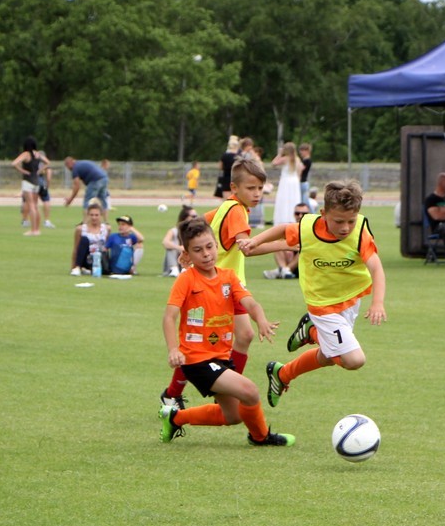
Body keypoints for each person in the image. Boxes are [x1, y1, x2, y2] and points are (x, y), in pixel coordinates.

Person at [238, 180, 387, 408]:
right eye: (339, 221)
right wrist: (255, 241)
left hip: (350, 302)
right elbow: (282, 230)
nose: (346, 227)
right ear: (323, 214)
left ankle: (283, 374)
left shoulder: (359, 234)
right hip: (322, 305)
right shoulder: (308, 229)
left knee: (328, 357)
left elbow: (376, 267)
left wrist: (378, 302)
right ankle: (312, 331)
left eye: (351, 220)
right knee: (353, 360)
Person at [159, 217, 292, 447]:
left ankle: (175, 418)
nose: (206, 254)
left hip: (220, 357)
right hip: (196, 360)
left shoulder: (228, 277)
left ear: (216, 246)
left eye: (209, 247)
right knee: (250, 391)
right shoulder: (186, 279)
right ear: (187, 254)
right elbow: (169, 317)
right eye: (198, 250)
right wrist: (173, 349)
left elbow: (250, 303)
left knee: (233, 415)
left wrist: (261, 319)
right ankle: (260, 437)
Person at [159, 156, 267, 411]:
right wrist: (289, 243)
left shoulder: (227, 206)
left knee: (240, 336)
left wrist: (187, 248)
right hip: (219, 284)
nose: (257, 193)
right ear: (235, 188)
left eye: (260, 188)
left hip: (225, 283)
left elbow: (193, 224)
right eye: (251, 188)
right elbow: (247, 246)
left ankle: (182, 393)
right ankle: (217, 390)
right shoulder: (237, 210)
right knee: (208, 344)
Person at [12, 136, 48, 236]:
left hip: (28, 182)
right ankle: (37, 229)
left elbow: (14, 163)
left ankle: (33, 230)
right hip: (36, 181)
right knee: (36, 206)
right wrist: (39, 171)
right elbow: (47, 162)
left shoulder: (26, 154)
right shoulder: (38, 154)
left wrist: (22, 171)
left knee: (31, 205)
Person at [264, 202, 308, 279]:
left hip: (306, 265)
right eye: (297, 213)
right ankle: (284, 270)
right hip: (291, 260)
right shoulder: (290, 228)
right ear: (294, 214)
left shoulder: (312, 228)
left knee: (304, 249)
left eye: (304, 214)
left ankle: (283, 271)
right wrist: (287, 248)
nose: (300, 216)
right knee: (277, 244)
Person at [69, 199, 110, 275]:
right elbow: (76, 248)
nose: (94, 217)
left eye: (96, 215)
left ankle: (92, 269)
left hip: (99, 257)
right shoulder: (80, 229)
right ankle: (79, 267)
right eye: (91, 215)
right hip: (87, 257)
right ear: (88, 215)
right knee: (84, 240)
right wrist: (73, 266)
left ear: (101, 215)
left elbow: (107, 247)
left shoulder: (106, 229)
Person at [63, 157, 110, 221]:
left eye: (67, 166)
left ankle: (85, 223)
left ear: (70, 163)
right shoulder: (82, 163)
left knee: (87, 201)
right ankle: (106, 222)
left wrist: (70, 199)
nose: (68, 168)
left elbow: (77, 186)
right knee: (103, 201)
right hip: (104, 178)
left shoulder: (75, 168)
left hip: (95, 180)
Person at [271, 142, 303, 226]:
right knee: (293, 199)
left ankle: (283, 218)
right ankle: (292, 218)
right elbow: (300, 171)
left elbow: (273, 163)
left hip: (286, 181)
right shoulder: (297, 159)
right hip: (294, 181)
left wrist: (279, 154)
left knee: (284, 199)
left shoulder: (285, 159)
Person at [162, 205, 200, 277]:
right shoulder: (174, 231)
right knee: (171, 247)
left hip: (191, 258)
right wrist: (179, 248)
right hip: (177, 259)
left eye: (196, 216)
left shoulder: (198, 232)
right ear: (185, 217)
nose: (195, 219)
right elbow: (165, 242)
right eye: (193, 216)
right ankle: (174, 270)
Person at [215, 135, 240, 199]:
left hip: (226, 178)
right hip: (236, 178)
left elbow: (220, 166)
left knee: (227, 199)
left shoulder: (225, 155)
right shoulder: (239, 156)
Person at [37, 152, 55, 228]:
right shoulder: (45, 165)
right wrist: (47, 185)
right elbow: (49, 176)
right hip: (41, 183)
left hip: (32, 182)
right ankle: (46, 221)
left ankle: (32, 220)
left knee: (33, 202)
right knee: (46, 200)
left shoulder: (33, 163)